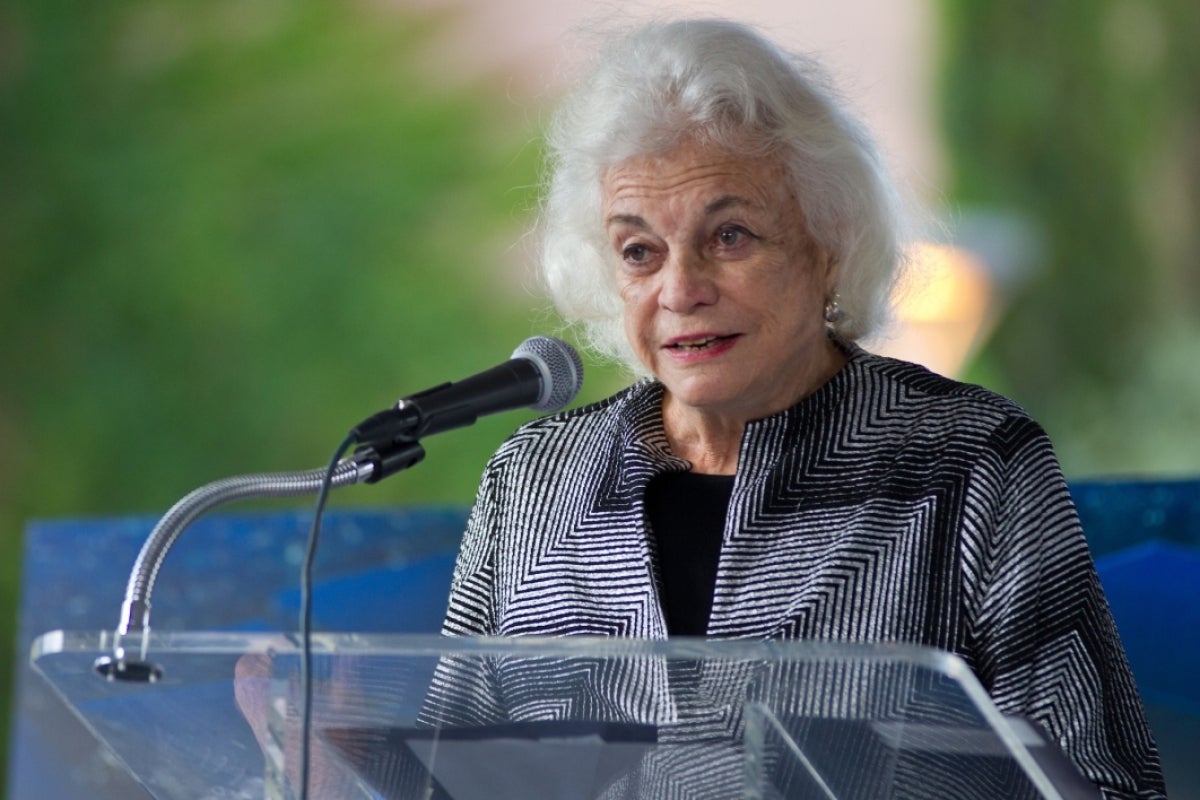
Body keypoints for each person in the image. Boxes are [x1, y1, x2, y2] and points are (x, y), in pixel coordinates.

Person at [439, 18, 1166, 800]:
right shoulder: (534, 482)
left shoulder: (969, 462)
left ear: (828, 244)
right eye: (639, 251)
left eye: (731, 236)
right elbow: (436, 774)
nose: (680, 290)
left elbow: (1102, 786)